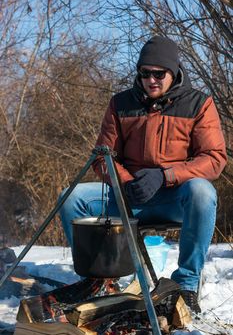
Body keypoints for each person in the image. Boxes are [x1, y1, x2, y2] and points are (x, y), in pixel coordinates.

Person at [59, 36, 227, 313]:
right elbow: (103, 156)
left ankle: (186, 283)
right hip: (128, 197)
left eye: (159, 73)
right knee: (71, 197)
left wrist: (165, 176)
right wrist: (124, 181)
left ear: (173, 72)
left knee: (203, 191)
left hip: (175, 197)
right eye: (145, 73)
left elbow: (213, 159)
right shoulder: (120, 104)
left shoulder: (199, 104)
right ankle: (99, 280)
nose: (152, 80)